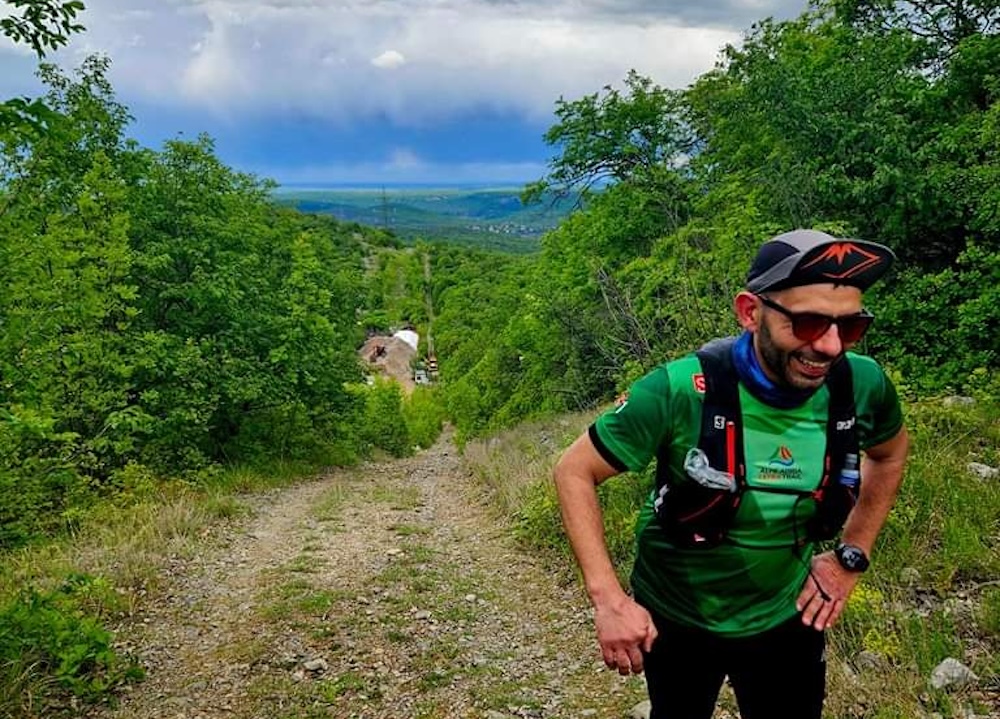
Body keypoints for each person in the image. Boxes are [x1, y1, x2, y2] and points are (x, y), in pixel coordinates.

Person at [553, 229, 909, 719]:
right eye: (807, 323)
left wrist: (851, 556)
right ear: (750, 312)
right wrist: (608, 600)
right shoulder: (680, 389)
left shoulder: (860, 383)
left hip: (787, 614)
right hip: (676, 612)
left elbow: (889, 455)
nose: (829, 347)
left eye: (850, 327)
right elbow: (574, 471)